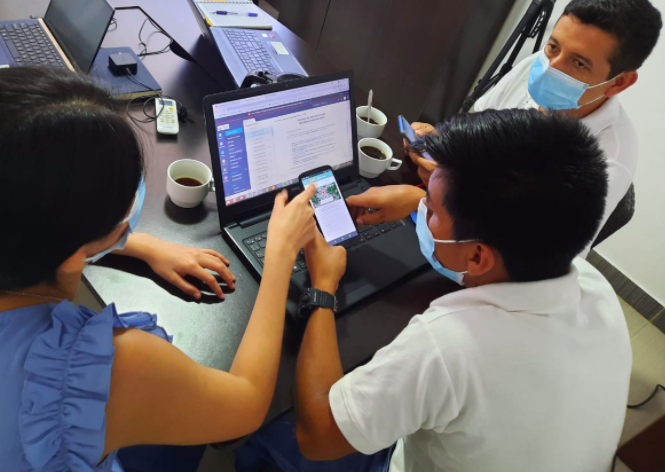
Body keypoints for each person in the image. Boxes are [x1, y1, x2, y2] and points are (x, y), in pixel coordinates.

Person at [0, 67, 319, 472]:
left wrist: (138, 244)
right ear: (70, 252)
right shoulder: (101, 370)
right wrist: (279, 256)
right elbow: (246, 404)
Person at [238, 109, 632, 472]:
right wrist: (415, 201)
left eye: (432, 208)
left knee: (267, 431)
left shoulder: (449, 344)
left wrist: (323, 287)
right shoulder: (593, 286)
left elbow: (317, 436)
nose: (423, 207)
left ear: (477, 256)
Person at [408, 0, 662, 252]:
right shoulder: (537, 65)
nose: (551, 69)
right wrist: (441, 144)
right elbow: (475, 124)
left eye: (579, 64)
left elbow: (542, 253)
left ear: (619, 83)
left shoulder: (608, 160)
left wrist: (432, 200)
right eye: (553, 47)